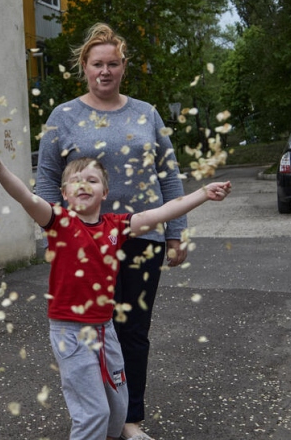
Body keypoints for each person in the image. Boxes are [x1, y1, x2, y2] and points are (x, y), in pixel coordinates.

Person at [0, 151, 230, 440]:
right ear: (63, 193)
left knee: (117, 407)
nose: (83, 185)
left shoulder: (116, 226)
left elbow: (162, 212)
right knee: (92, 413)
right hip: (70, 332)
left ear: (105, 192)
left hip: (105, 329)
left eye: (92, 180)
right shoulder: (58, 221)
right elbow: (26, 197)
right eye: (76, 181)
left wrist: (204, 193)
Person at [35, 22, 191, 440]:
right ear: (84, 67)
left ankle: (129, 420)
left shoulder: (146, 114)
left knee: (133, 331)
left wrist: (176, 232)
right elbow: (47, 178)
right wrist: (57, 230)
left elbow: (169, 176)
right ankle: (93, 413)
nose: (105, 71)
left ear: (124, 68)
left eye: (114, 64)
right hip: (85, 245)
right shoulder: (63, 116)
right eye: (97, 64)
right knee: (89, 331)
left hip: (142, 237)